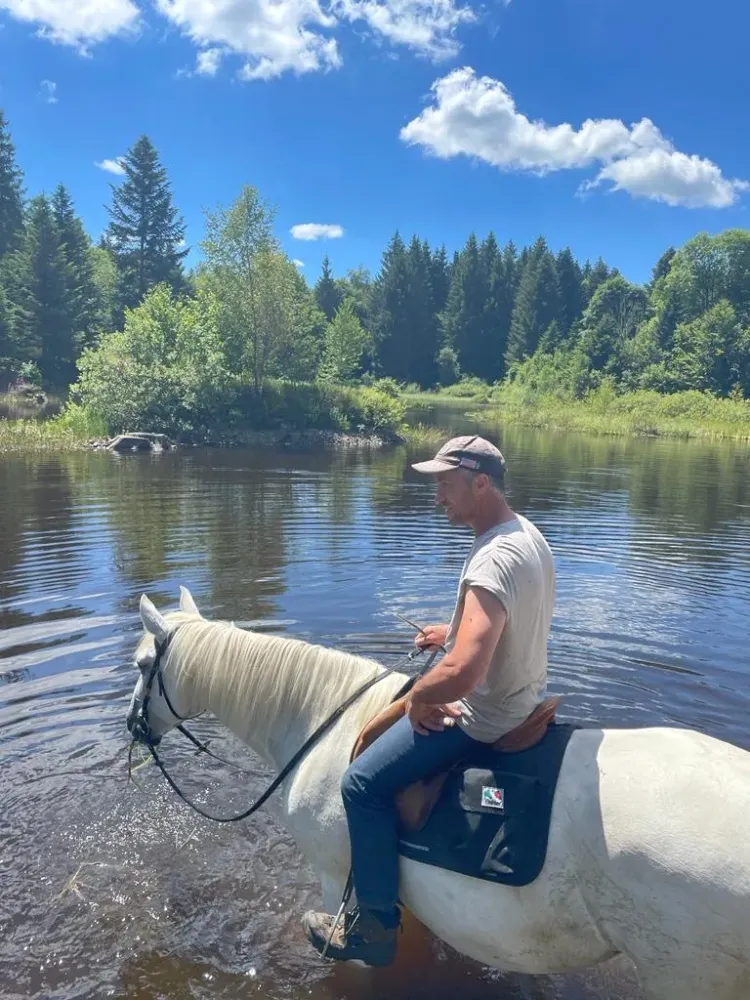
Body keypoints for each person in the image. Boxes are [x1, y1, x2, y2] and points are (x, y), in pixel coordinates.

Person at [302, 434, 556, 966]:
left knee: (361, 785)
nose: (438, 497)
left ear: (480, 482)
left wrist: (420, 696)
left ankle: (373, 932)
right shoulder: (526, 535)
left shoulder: (493, 559)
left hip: (486, 715)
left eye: (445, 485)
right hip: (524, 697)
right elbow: (504, 624)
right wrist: (456, 628)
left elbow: (463, 674)